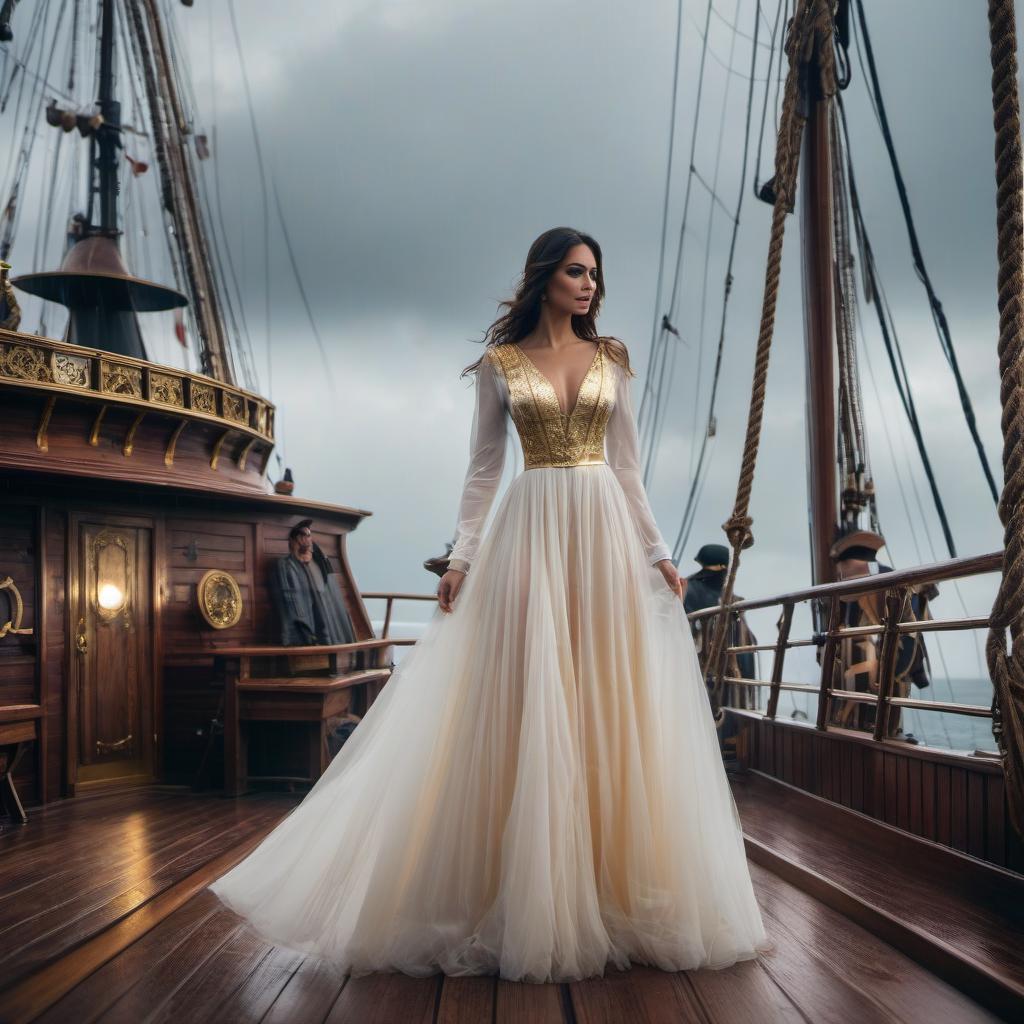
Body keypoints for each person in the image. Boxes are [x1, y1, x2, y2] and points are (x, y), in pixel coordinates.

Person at [211, 227, 771, 983]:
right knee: (529, 699)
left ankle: (614, 891)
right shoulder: (501, 366)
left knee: (606, 696)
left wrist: (660, 554)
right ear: (545, 278)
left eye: (595, 276)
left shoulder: (613, 360)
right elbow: (482, 472)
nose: (589, 286)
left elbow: (629, 470)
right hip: (530, 532)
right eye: (576, 272)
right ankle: (524, 892)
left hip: (604, 533)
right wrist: (463, 558)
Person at [829, 529, 934, 741]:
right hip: (857, 672)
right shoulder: (848, 590)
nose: (841, 573)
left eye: (844, 566)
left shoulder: (895, 584)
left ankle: (875, 726)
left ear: (856, 563)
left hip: (888, 667)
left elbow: (910, 635)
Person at [683, 544, 760, 742]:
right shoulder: (691, 591)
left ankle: (731, 736)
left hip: (728, 667)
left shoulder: (727, 596)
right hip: (704, 667)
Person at [272, 519, 356, 646]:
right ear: (296, 539)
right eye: (304, 535)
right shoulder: (286, 565)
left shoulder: (319, 562)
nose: (307, 539)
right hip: (301, 625)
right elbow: (290, 598)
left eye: (309, 535)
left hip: (320, 618)